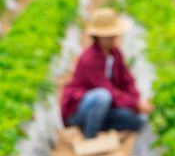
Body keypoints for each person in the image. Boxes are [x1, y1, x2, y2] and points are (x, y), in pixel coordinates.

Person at [60, 7, 150, 140]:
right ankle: (90, 136)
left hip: (106, 107)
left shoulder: (114, 53)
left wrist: (136, 100)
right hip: (80, 109)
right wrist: (135, 104)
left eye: (113, 35)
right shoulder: (89, 58)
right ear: (97, 37)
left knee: (135, 121)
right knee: (102, 96)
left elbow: (127, 80)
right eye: (107, 36)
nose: (112, 39)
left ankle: (98, 124)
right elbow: (108, 90)